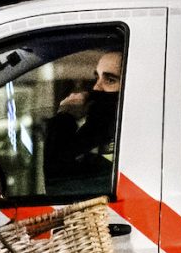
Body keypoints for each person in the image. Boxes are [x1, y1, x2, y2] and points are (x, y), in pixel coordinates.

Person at [43, 49, 122, 193]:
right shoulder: (100, 129)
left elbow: (59, 183)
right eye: (96, 78)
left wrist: (65, 115)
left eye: (110, 80)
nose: (96, 88)